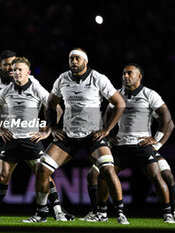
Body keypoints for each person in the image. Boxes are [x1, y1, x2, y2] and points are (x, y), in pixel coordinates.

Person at [24, 48, 129, 224]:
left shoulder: (98, 78)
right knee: (42, 169)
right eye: (71, 58)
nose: (73, 61)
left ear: (85, 61)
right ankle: (41, 214)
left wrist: (107, 130)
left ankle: (119, 212)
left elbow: (119, 103)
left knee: (108, 169)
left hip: (92, 135)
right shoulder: (62, 79)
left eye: (77, 58)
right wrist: (52, 127)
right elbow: (50, 104)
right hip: (69, 135)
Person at [0, 51, 73, 221]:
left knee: (42, 172)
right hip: (1, 133)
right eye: (7, 65)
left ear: (25, 70)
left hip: (27, 134)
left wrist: (47, 129)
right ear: (0, 65)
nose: (12, 69)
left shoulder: (33, 84)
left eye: (15, 65)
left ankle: (57, 209)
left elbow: (52, 106)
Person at [94, 64, 175, 223]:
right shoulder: (117, 95)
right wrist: (109, 135)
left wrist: (157, 142)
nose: (125, 76)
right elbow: (107, 114)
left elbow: (167, 119)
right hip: (121, 145)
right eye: (124, 73)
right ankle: (102, 213)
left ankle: (168, 213)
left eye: (129, 73)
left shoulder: (150, 94)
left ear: (139, 76)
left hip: (141, 145)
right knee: (103, 174)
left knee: (156, 176)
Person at [81, 117, 175, 221]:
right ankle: (97, 212)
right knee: (93, 174)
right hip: (122, 149)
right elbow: (107, 116)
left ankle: (171, 212)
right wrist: (110, 136)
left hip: (142, 148)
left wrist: (158, 144)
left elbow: (169, 123)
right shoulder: (119, 102)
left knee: (167, 175)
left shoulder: (149, 101)